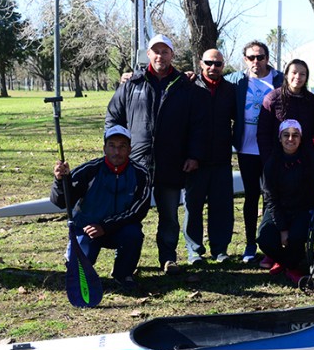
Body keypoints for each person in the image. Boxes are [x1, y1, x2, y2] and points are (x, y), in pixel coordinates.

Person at [105, 34, 207, 275]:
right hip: (136, 163)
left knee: (169, 215)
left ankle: (168, 257)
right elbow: (113, 117)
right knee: (129, 214)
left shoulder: (184, 87)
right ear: (148, 55)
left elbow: (198, 126)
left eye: (165, 51)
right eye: (155, 51)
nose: (160, 56)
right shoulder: (132, 84)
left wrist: (194, 155)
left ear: (172, 55)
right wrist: (116, 149)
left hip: (172, 163)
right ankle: (126, 261)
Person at [51, 125, 152, 290]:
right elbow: (62, 202)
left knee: (133, 234)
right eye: (112, 146)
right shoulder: (89, 170)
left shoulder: (141, 173)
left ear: (130, 150)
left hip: (119, 228)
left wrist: (105, 226)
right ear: (104, 148)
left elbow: (138, 211)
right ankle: (75, 258)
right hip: (87, 228)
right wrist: (60, 181)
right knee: (77, 273)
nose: (116, 152)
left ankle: (123, 274)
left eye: (122, 147)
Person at [224, 41, 284, 263]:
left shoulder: (279, 80)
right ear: (245, 60)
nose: (255, 62)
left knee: (272, 197)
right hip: (246, 148)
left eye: (260, 57)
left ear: (268, 58)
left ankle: (269, 243)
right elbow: (210, 80)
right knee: (251, 197)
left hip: (272, 149)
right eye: (251, 58)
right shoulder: (237, 80)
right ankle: (250, 244)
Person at [182, 48, 237, 265]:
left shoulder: (231, 90)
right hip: (195, 160)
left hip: (222, 158)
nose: (213, 67)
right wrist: (189, 155)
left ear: (223, 66)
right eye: (209, 63)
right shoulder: (189, 87)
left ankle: (220, 249)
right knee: (193, 206)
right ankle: (194, 250)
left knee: (221, 207)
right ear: (200, 63)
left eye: (218, 64)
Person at [257, 120, 314, 284]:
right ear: (280, 138)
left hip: (303, 208)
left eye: (295, 135)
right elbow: (270, 198)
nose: (290, 139)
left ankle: (290, 265)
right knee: (264, 238)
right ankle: (289, 264)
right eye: (286, 135)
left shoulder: (312, 158)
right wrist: (282, 228)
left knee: (296, 238)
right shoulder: (271, 164)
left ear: (301, 138)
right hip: (279, 209)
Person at [257, 59, 314, 164]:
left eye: (302, 74)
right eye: (294, 73)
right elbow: (263, 133)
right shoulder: (272, 98)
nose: (298, 77)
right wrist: (268, 161)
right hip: (277, 160)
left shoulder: (311, 100)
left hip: (304, 161)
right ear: (286, 75)